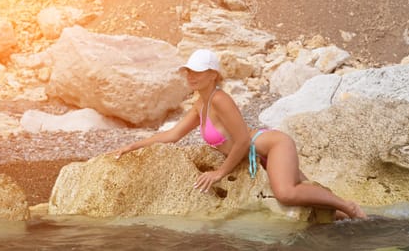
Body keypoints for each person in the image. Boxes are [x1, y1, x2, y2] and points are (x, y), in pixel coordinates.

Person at [112, 49, 366, 220]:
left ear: (213, 75)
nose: (191, 76)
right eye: (188, 71)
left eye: (197, 71)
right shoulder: (200, 103)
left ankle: (349, 206)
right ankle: (358, 218)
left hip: (274, 146)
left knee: (287, 194)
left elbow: (243, 139)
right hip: (257, 155)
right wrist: (133, 146)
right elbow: (173, 134)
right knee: (310, 202)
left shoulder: (221, 99)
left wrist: (220, 172)